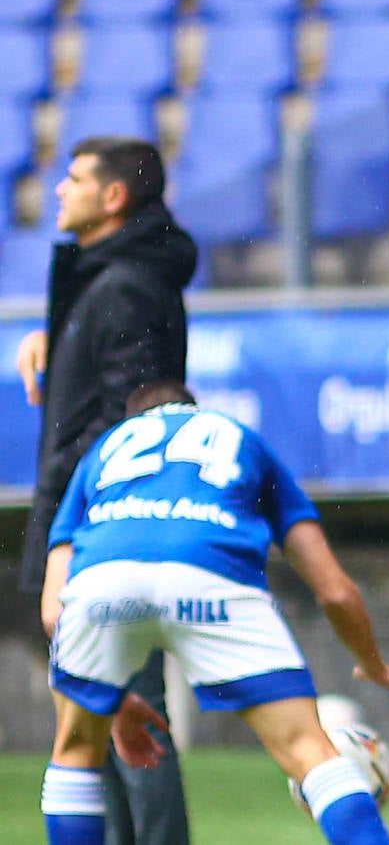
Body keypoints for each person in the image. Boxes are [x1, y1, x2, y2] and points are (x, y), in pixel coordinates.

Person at [39, 381, 389, 845]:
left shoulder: (103, 453)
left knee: (75, 751)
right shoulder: (240, 439)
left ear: (134, 420)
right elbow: (335, 593)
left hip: (103, 583)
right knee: (310, 750)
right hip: (208, 571)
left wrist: (108, 697)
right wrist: (373, 663)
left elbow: (54, 609)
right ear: (193, 411)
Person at [16, 136, 199, 844]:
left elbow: (136, 417)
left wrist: (72, 533)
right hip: (87, 523)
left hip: (102, 530)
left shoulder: (125, 286)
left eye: (75, 178)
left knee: (129, 713)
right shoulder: (111, 281)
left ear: (114, 197)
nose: (59, 189)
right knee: (101, 716)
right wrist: (57, 339)